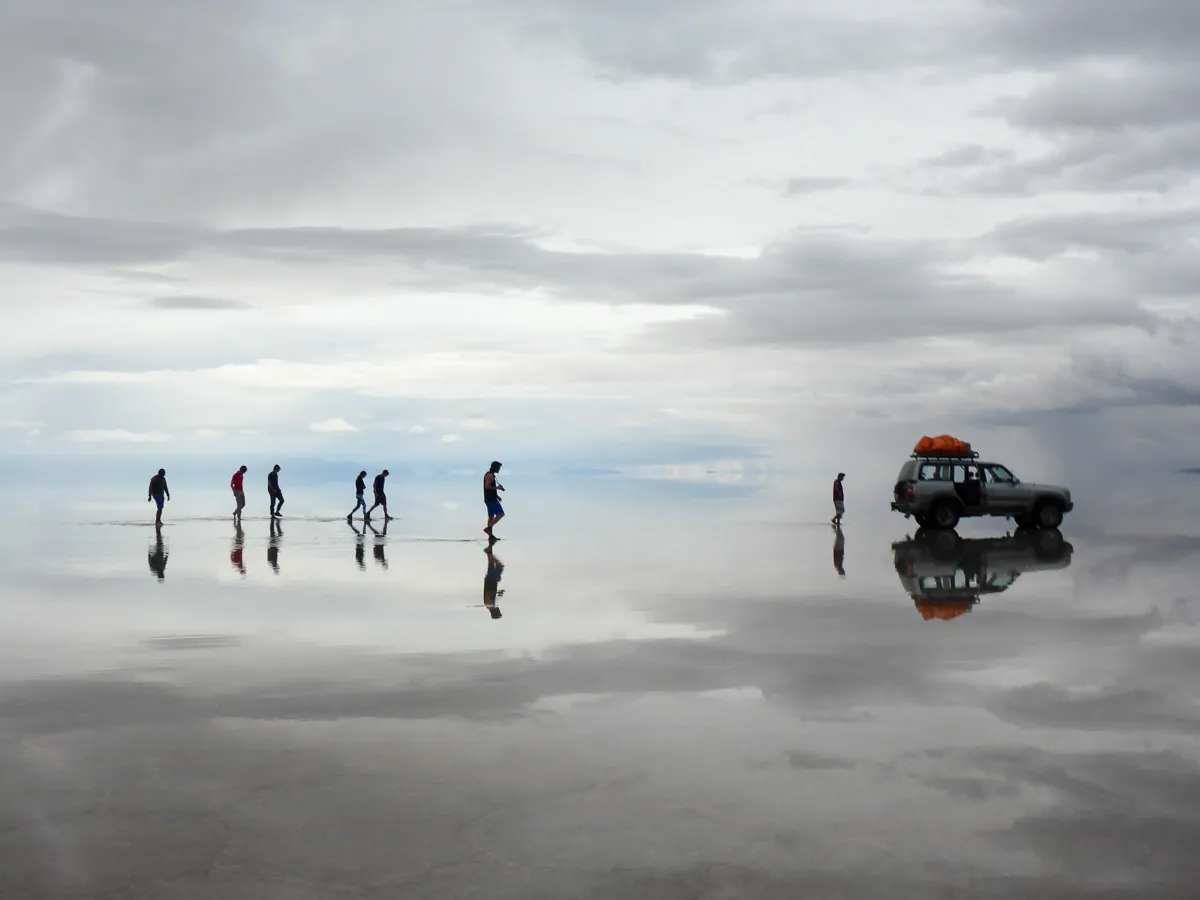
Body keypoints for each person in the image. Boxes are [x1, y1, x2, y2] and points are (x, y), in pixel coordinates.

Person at [483, 461, 505, 537]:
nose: (499, 469)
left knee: (491, 517)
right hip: (491, 499)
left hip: (490, 498)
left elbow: (489, 489)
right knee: (501, 514)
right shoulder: (489, 475)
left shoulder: (491, 475)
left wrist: (497, 496)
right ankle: (488, 529)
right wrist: (497, 488)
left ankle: (490, 536)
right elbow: (487, 487)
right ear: (495, 467)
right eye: (498, 468)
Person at [483, 542, 504, 619]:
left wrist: (497, 592)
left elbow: (489, 593)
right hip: (491, 580)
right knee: (491, 563)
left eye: (498, 612)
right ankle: (489, 550)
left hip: (491, 580)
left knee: (500, 566)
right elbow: (491, 594)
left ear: (495, 612)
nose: (499, 610)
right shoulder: (490, 605)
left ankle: (488, 552)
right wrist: (499, 593)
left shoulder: (489, 604)